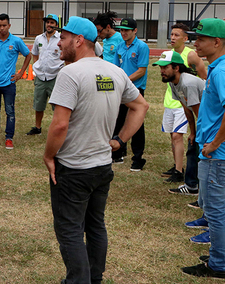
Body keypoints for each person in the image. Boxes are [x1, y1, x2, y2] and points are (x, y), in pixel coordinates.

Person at [44, 16, 148, 284]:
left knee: (69, 230)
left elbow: (59, 125)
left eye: (64, 38)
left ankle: (79, 280)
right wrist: (119, 141)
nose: (59, 43)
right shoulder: (114, 71)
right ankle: (94, 278)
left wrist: (48, 155)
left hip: (74, 168)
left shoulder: (70, 73)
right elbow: (141, 107)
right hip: (102, 166)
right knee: (95, 225)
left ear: (79, 41)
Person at [181, 18, 225, 279]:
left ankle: (217, 266)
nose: (195, 42)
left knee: (215, 213)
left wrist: (214, 144)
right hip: (217, 152)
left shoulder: (222, 71)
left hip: (220, 154)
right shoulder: (220, 67)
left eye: (201, 38)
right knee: (214, 209)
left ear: (217, 42)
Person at [163, 23, 208, 186]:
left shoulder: (191, 57)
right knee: (175, 137)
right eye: (172, 34)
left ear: (185, 38)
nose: (173, 38)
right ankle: (179, 168)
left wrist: (199, 131)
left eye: (176, 35)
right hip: (176, 102)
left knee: (182, 139)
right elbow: (185, 103)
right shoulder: (169, 60)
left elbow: (203, 80)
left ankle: (185, 176)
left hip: (195, 102)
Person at [156, 51, 205, 197]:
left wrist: (201, 135)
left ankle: (195, 187)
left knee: (201, 153)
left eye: (165, 67)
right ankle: (192, 185)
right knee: (193, 146)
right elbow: (187, 108)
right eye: (160, 67)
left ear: (176, 68)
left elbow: (200, 114)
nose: (162, 71)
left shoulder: (188, 83)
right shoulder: (173, 83)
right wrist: (193, 133)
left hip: (212, 120)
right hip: (204, 119)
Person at [0, 13, 32, 149]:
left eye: (4, 25)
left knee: (10, 111)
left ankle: (9, 138)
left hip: (9, 83)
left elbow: (28, 55)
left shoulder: (16, 41)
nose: (2, 28)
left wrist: (21, 73)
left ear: (9, 26)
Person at [112, 18, 150, 171]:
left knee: (137, 123)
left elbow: (141, 70)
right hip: (122, 89)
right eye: (121, 30)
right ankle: (118, 152)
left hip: (135, 89)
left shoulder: (142, 47)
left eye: (126, 30)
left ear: (135, 31)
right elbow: (116, 67)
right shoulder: (120, 46)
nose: (123, 33)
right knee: (119, 119)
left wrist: (125, 81)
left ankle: (138, 157)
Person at [27, 13, 64, 135]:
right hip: (41, 77)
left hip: (55, 76)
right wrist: (36, 68)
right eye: (47, 22)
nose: (49, 25)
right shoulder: (39, 38)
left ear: (56, 25)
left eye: (52, 23)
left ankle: (57, 129)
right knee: (38, 104)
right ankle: (37, 128)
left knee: (57, 106)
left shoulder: (61, 39)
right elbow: (35, 53)